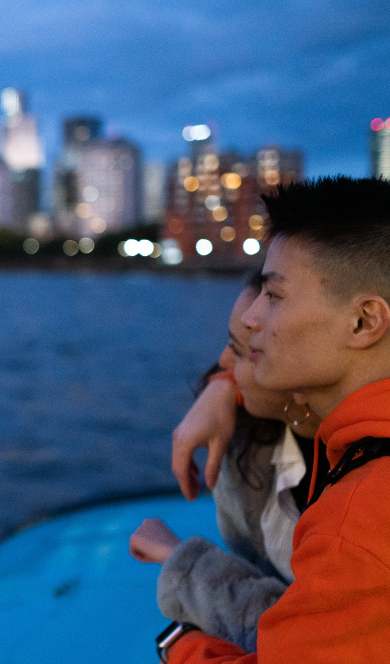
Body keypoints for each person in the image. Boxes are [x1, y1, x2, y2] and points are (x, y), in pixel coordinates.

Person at [158, 176, 390, 663]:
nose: (251, 319)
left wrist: (182, 644)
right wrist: (223, 385)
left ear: (363, 322)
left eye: (273, 296)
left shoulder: (365, 533)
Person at [129, 271, 323, 652]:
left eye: (242, 348)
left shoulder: (372, 487)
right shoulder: (249, 435)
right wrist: (226, 386)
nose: (221, 361)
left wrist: (181, 562)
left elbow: (306, 639)